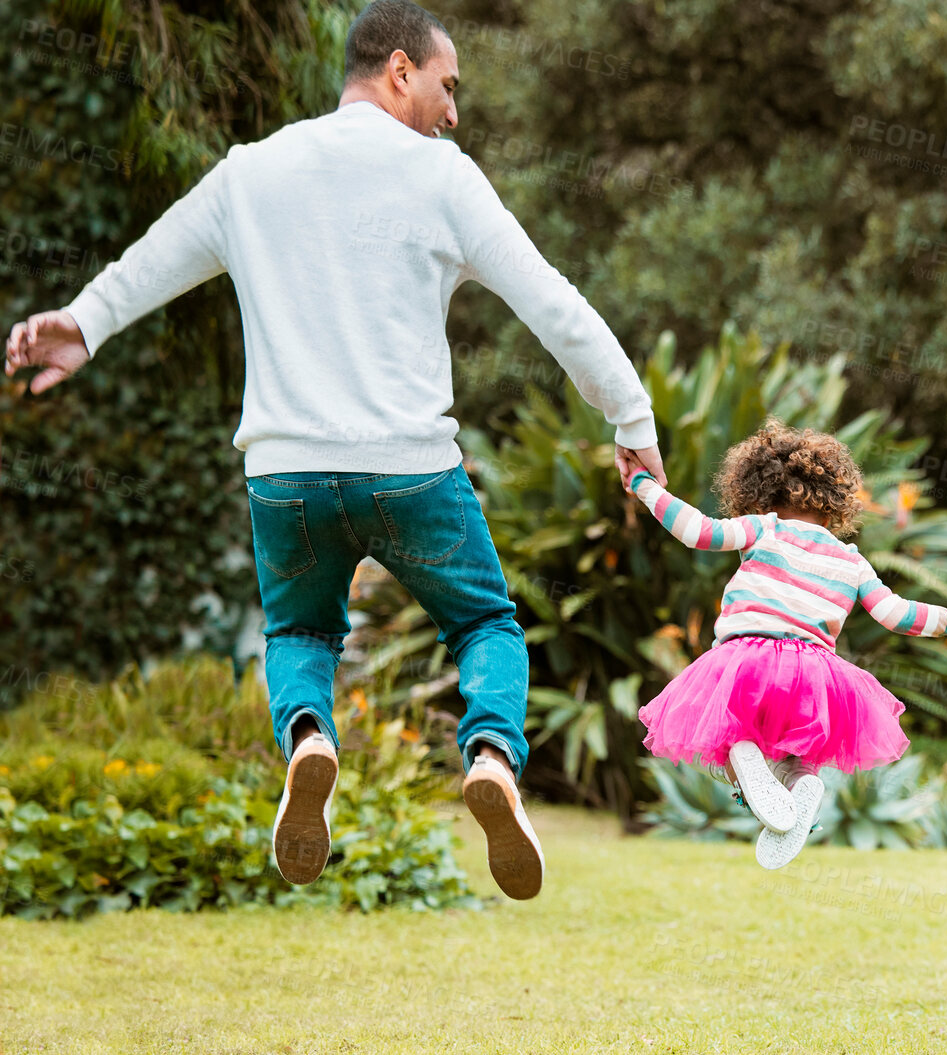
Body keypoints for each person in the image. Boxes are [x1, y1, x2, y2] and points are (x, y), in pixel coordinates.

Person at [3, 0, 667, 901]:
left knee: (301, 629)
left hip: (285, 476)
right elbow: (554, 304)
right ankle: (491, 757)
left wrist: (81, 323)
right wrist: (631, 418)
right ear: (400, 70)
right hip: (411, 471)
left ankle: (311, 739)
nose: (454, 111)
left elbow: (157, 258)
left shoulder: (252, 172)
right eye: (447, 85)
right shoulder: (443, 177)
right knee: (484, 624)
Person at [627, 421, 947, 869]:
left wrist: (642, 483)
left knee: (735, 742)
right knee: (800, 758)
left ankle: (744, 762)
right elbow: (898, 615)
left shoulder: (766, 529)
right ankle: (801, 785)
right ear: (835, 503)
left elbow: (697, 531)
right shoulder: (852, 560)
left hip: (746, 660)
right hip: (815, 675)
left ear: (761, 490)